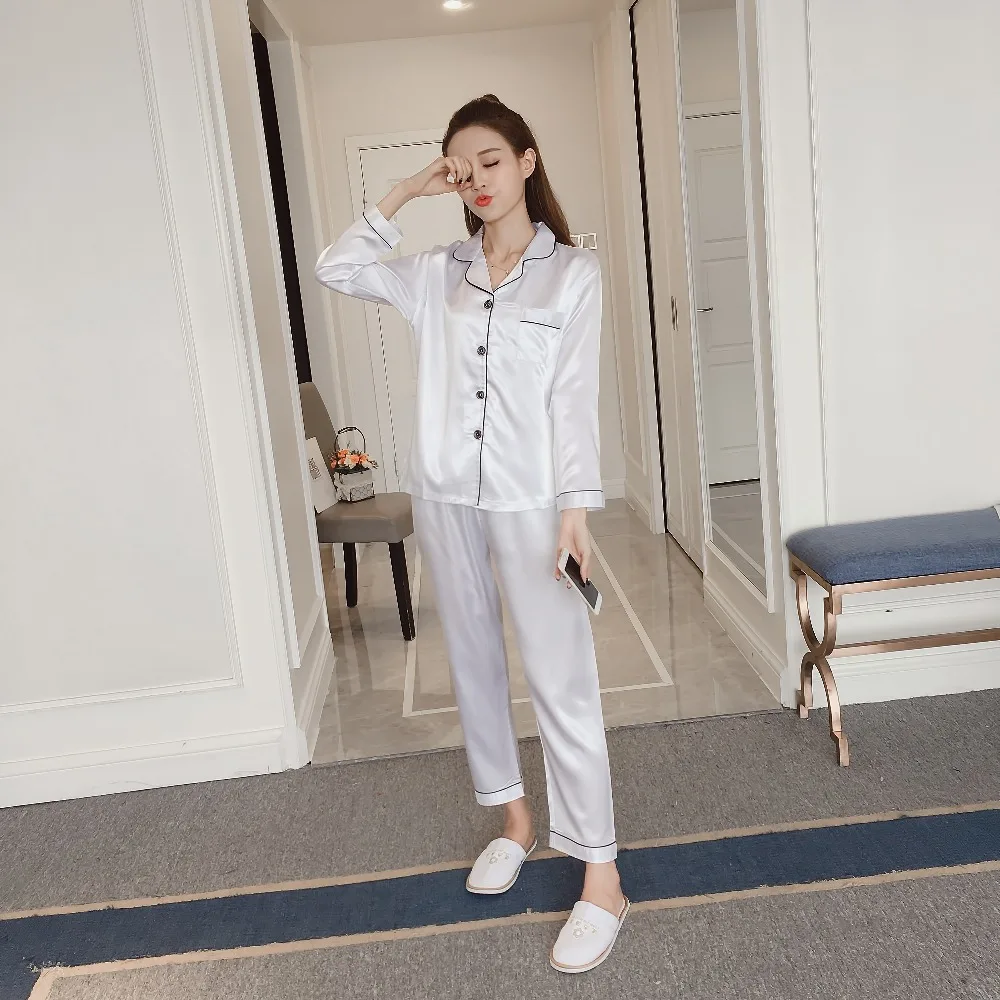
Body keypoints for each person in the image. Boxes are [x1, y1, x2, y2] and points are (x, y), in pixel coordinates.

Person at [315, 95, 627, 973]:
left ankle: (601, 876)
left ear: (527, 161)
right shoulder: (435, 273)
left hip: (532, 499)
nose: (478, 180)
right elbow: (338, 267)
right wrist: (409, 189)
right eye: (463, 169)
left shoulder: (573, 275)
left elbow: (573, 399)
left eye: (492, 160)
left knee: (562, 677)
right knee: (475, 664)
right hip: (446, 494)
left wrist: (576, 511)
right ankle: (516, 821)